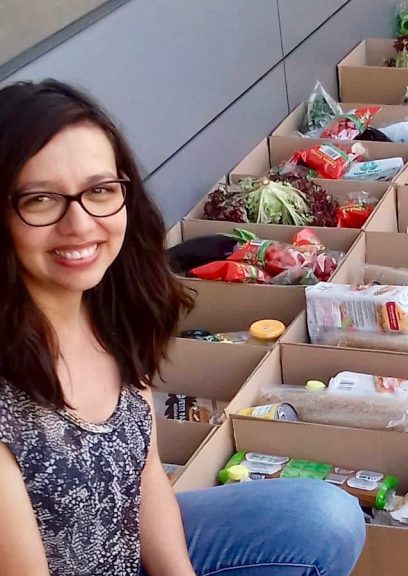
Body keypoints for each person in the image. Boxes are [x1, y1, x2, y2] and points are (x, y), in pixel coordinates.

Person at [0, 80, 366, 575]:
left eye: (100, 190)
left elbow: (145, 479)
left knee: (325, 517)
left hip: (124, 554)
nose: (81, 224)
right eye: (41, 200)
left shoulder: (110, 312)